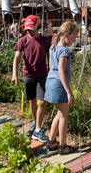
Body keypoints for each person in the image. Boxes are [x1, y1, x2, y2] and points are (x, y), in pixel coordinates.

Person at [11, 15, 51, 142]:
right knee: (32, 100)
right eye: (28, 30)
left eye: (32, 29)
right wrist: (14, 75)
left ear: (38, 27)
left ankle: (38, 129)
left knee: (42, 101)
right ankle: (35, 123)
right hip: (28, 75)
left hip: (41, 74)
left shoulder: (44, 41)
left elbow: (49, 55)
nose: (30, 32)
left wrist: (51, 70)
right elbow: (16, 57)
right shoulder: (22, 41)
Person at [44, 21, 80, 154]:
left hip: (50, 82)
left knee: (59, 114)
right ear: (66, 35)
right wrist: (69, 92)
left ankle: (52, 141)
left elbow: (51, 67)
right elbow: (61, 71)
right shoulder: (64, 51)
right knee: (64, 116)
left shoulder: (53, 47)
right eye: (73, 38)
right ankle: (63, 146)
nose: (74, 41)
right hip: (59, 85)